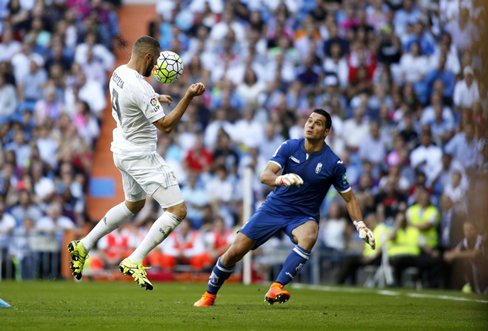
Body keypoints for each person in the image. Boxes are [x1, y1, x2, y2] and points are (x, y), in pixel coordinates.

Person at [194, 109, 375, 307]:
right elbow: (265, 176)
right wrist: (280, 179)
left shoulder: (334, 163)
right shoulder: (290, 146)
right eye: (309, 121)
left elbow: (349, 198)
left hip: (303, 215)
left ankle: (276, 286)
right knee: (235, 252)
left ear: (326, 132)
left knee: (310, 234)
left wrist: (360, 226)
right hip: (275, 207)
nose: (311, 125)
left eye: (318, 123)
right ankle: (209, 296)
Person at [67, 36, 206, 290]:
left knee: (134, 204)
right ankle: (135, 259)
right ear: (149, 57)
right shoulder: (140, 87)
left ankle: (83, 245)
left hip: (121, 148)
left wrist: (155, 97)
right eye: (154, 65)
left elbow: (135, 96)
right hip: (140, 155)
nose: (154, 71)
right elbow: (165, 126)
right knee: (177, 211)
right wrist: (188, 96)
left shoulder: (118, 73)